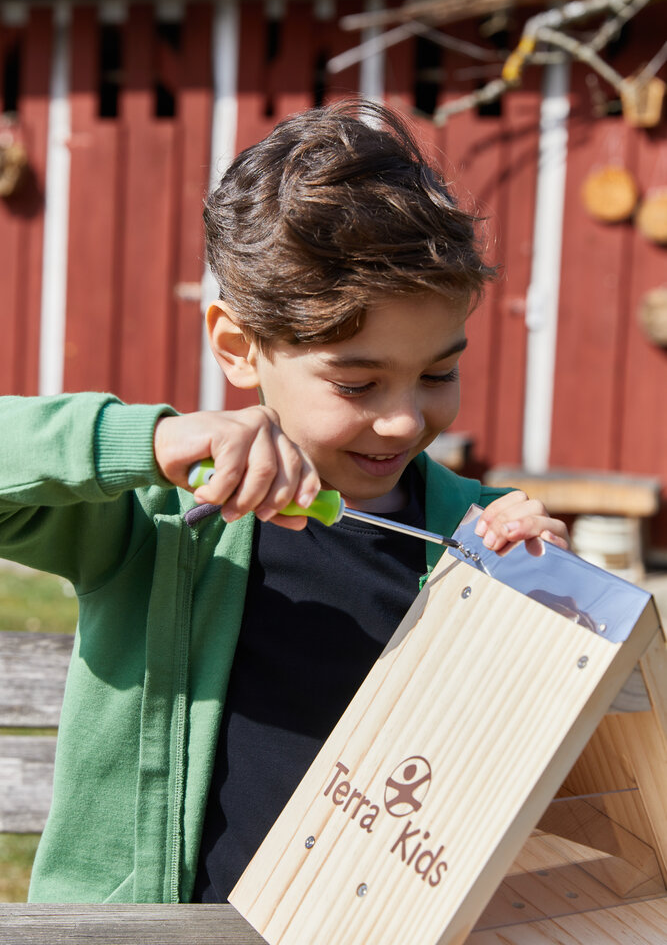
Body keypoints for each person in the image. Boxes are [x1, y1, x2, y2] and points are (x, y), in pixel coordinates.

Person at [1, 99, 568, 905]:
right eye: (357, 383)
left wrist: (546, 601)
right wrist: (145, 443)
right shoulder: (163, 515)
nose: (405, 420)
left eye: (437, 373)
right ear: (238, 348)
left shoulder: (475, 538)